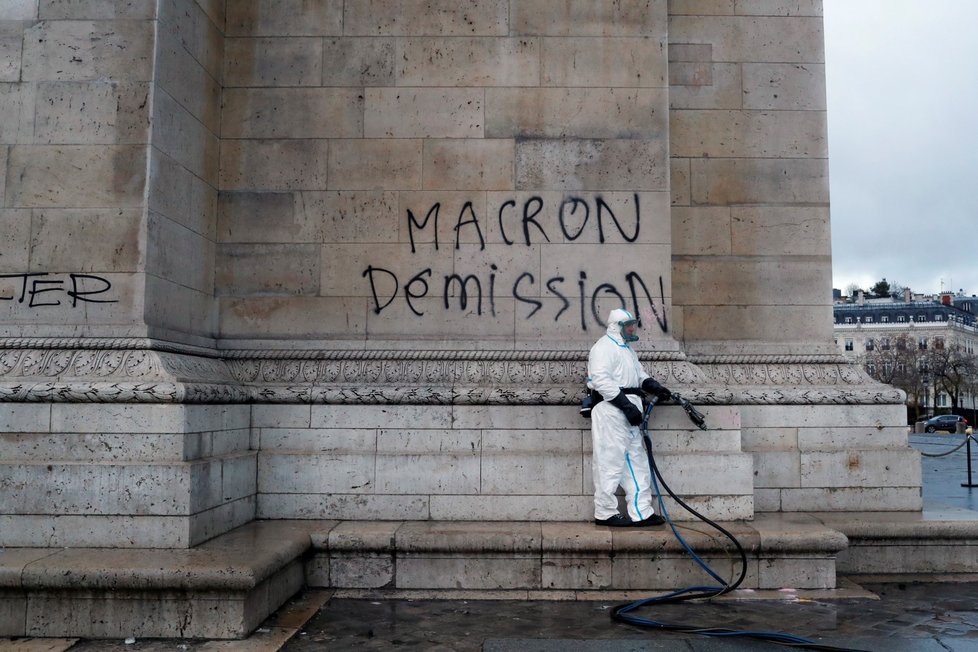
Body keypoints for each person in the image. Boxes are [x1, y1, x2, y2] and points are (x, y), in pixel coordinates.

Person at [587, 308, 672, 527]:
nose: (633, 328)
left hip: (630, 410)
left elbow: (639, 374)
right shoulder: (603, 348)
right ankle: (605, 513)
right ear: (617, 326)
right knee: (610, 461)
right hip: (611, 410)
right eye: (629, 325)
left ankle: (642, 512)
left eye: (633, 324)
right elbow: (601, 380)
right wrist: (625, 405)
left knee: (637, 460)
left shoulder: (627, 350)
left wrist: (655, 386)